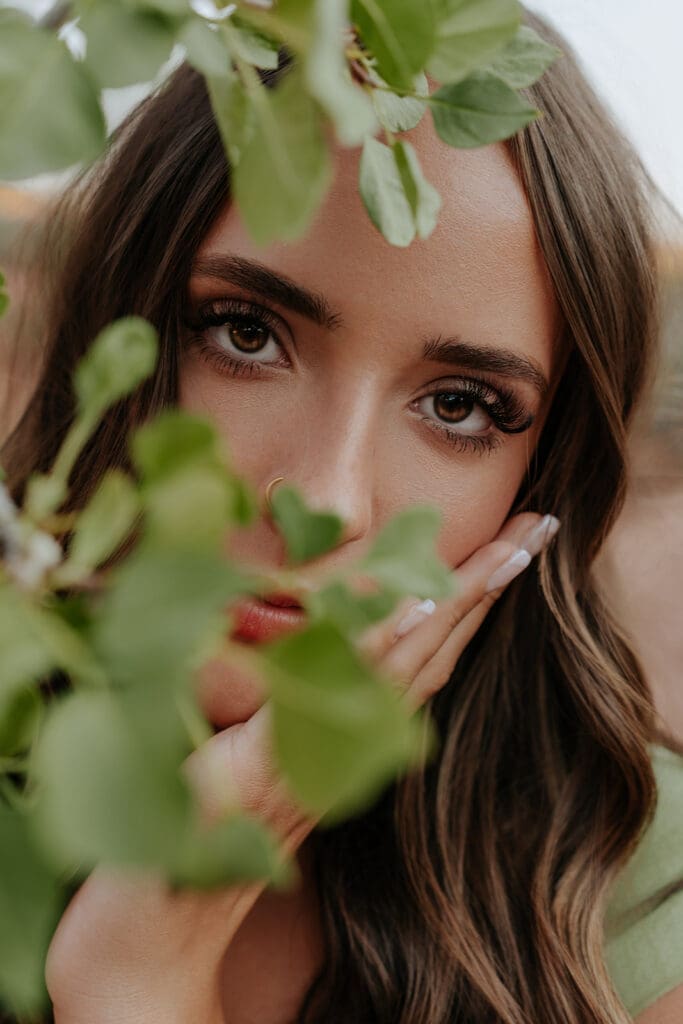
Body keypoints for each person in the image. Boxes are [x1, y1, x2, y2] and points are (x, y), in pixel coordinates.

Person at [1, 9, 681, 1024]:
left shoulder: (629, 897)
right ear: (119, 323)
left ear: (539, 487)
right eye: (244, 332)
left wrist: (141, 976)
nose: (323, 501)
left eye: (459, 406)